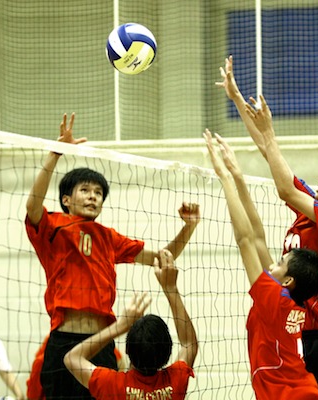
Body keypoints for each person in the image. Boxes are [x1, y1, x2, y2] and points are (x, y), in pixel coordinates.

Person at [217, 56, 318, 399]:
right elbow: (267, 150)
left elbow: (284, 188)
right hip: (296, 331)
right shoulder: (313, 208)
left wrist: (270, 133)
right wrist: (236, 99)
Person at [25, 113, 200, 399]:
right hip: (65, 341)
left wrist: (188, 226)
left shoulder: (109, 237)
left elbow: (162, 258)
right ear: (66, 199)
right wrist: (54, 153)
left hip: (102, 343)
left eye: (98, 193)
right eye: (85, 190)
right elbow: (32, 206)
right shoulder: (52, 226)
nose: (93, 196)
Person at [204, 129, 318, 399]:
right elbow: (257, 237)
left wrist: (225, 178)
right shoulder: (288, 301)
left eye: (279, 262)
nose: (271, 265)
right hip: (302, 391)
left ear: (288, 280)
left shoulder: (274, 299)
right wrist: (239, 177)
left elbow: (245, 240)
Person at [63, 248, 198, 399]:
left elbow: (71, 358)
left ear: (127, 350)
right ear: (168, 351)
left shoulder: (113, 385)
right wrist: (171, 289)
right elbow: (189, 343)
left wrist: (120, 326)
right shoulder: (176, 381)